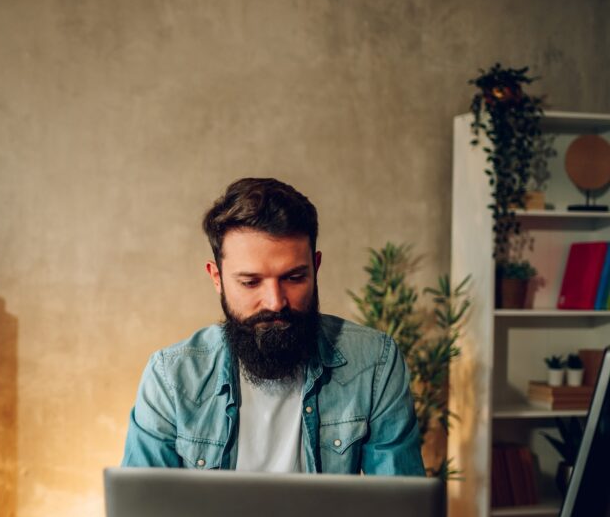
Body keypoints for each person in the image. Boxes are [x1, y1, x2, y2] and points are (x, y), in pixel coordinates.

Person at [122, 178, 424, 475]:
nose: (275, 302)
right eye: (251, 282)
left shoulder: (374, 361)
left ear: (315, 268)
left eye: (293, 278)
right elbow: (139, 514)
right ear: (217, 278)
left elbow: (401, 515)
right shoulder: (171, 376)